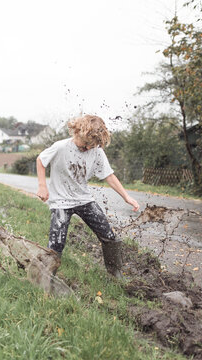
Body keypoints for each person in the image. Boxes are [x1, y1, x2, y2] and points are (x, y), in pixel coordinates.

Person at [36, 114, 139, 279]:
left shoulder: (96, 151)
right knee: (57, 243)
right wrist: (42, 186)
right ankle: (47, 278)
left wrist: (126, 197)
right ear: (77, 132)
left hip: (84, 200)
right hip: (61, 202)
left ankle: (115, 275)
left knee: (109, 236)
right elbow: (41, 160)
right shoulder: (61, 147)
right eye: (85, 145)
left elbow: (109, 176)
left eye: (93, 146)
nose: (88, 149)